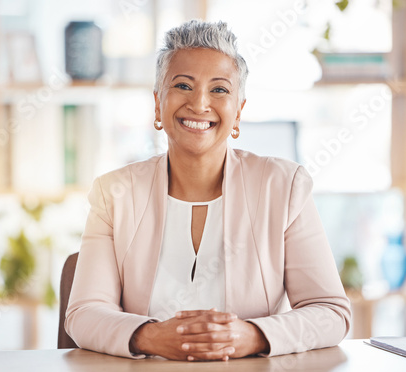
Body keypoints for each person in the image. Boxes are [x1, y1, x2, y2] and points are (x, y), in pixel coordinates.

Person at [65, 19, 351, 362]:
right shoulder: (113, 193)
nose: (199, 104)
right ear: (158, 105)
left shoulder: (284, 187)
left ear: (238, 112)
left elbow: (331, 311)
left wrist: (254, 336)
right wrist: (150, 336)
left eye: (219, 89)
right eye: (183, 85)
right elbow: (83, 314)